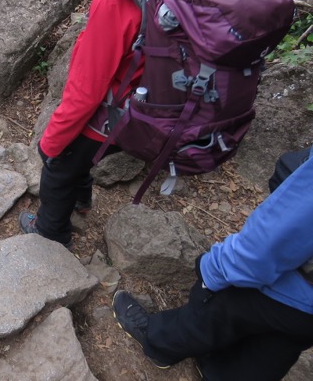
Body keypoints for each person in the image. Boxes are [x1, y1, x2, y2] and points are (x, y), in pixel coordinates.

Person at [18, 0, 211, 249]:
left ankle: (50, 234)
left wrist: (50, 143)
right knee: (80, 157)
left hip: (123, 110)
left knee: (59, 164)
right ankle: (83, 201)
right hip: (177, 99)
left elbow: (86, 92)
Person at [112, 152, 313, 381]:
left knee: (216, 311)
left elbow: (271, 242)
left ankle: (158, 343)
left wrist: (213, 268)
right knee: (271, 352)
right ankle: (218, 371)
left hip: (288, 287)